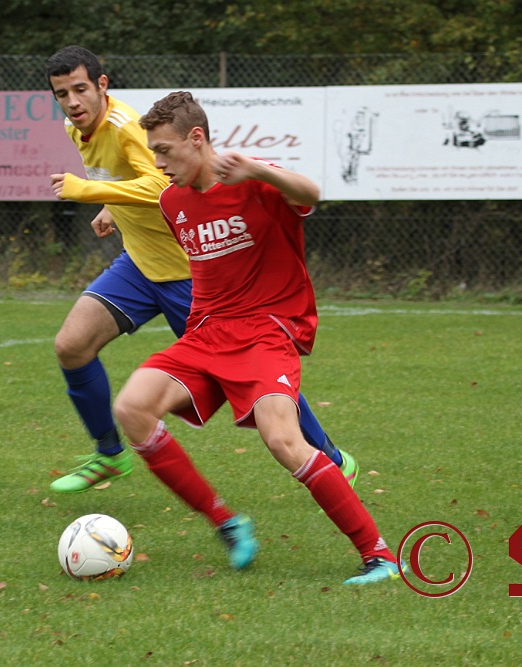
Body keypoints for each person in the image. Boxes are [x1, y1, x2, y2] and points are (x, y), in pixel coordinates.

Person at [112, 91, 405, 584]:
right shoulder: (171, 200)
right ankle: (227, 522)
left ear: (196, 138)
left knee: (284, 440)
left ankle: (380, 555)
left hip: (265, 333)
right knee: (131, 408)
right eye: (154, 152)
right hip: (206, 335)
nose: (158, 162)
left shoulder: (254, 180)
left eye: (164, 150)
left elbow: (310, 193)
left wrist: (257, 170)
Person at [44, 45, 355, 495]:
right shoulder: (76, 129)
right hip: (138, 264)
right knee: (72, 345)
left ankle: (329, 457)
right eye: (62, 94)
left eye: (80, 90)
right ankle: (110, 453)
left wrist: (89, 192)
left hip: (188, 272)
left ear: (101, 85)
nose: (73, 102)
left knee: (256, 374)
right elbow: (130, 182)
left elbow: (158, 183)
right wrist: (111, 205)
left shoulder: (127, 127)